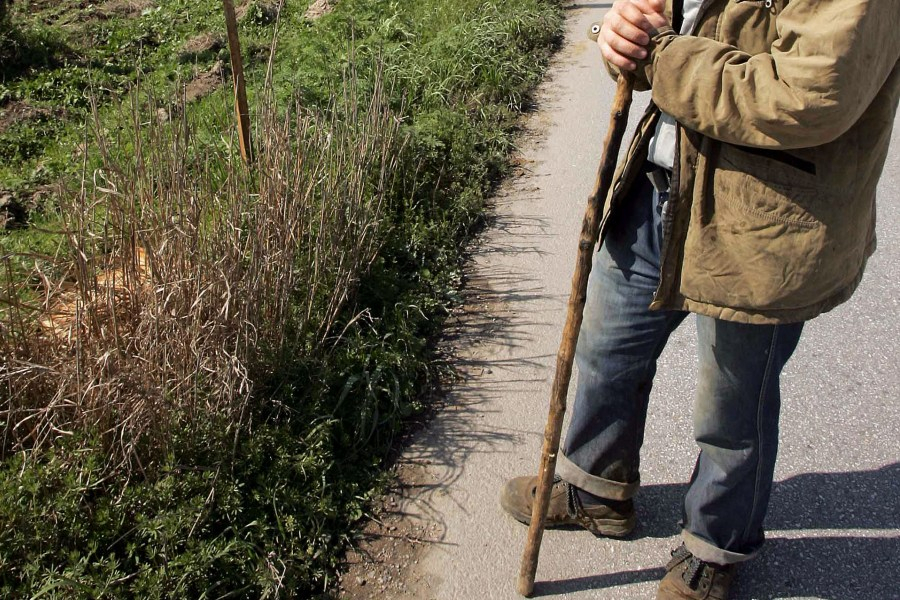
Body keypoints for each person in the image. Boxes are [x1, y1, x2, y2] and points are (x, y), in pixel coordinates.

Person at [499, 0, 900, 598]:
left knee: (733, 407)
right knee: (607, 350)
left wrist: (660, 55)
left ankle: (714, 545)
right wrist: (623, 39)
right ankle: (595, 488)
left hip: (767, 221)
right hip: (664, 185)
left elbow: (807, 96)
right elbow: (666, 28)